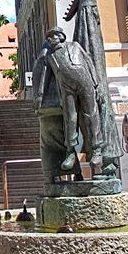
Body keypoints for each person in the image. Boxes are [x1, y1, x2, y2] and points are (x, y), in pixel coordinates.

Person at [33, 26, 103, 171]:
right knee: (70, 118)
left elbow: (89, 63)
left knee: (91, 115)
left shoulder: (75, 46)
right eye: (48, 38)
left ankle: (97, 151)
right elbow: (45, 77)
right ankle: (70, 152)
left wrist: (97, 85)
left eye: (52, 36)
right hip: (66, 88)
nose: (49, 40)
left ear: (60, 36)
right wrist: (40, 96)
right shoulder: (49, 56)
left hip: (85, 82)